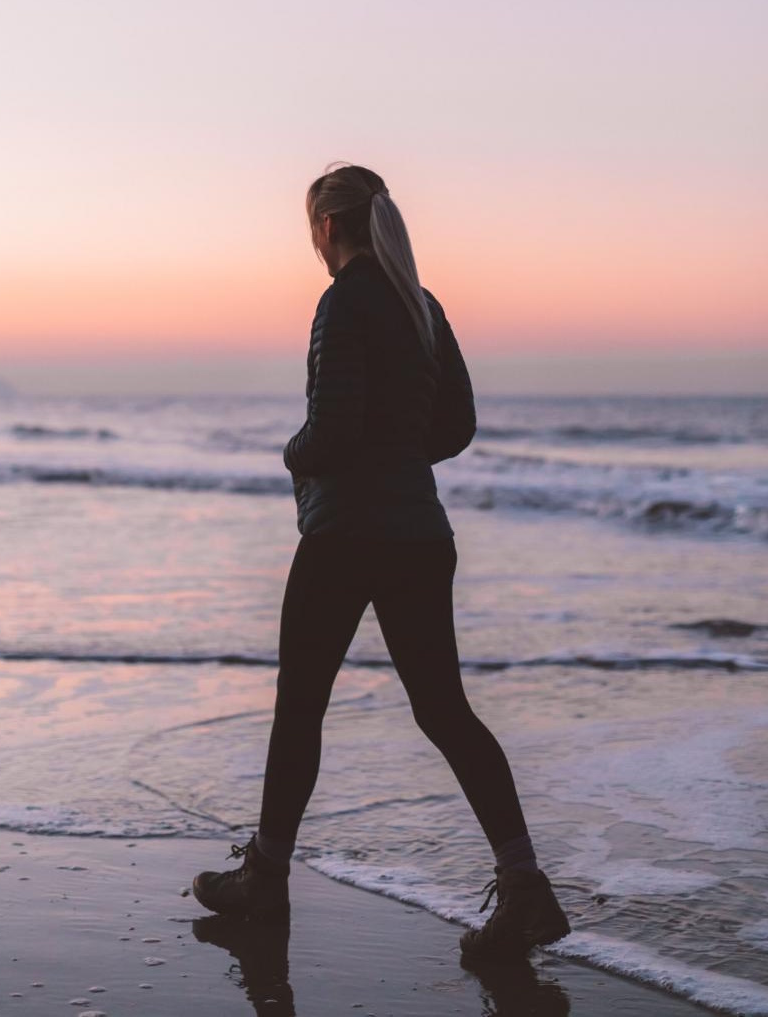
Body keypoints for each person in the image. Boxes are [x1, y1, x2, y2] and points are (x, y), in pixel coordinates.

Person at [192, 163, 570, 964]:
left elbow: (331, 430)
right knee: (445, 712)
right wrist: (402, 458)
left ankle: (266, 878)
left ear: (327, 228)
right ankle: (526, 882)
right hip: (421, 539)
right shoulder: (420, 301)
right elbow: (458, 422)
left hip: (345, 536)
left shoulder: (344, 299)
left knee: (300, 709)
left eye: (311, 231)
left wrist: (291, 453)